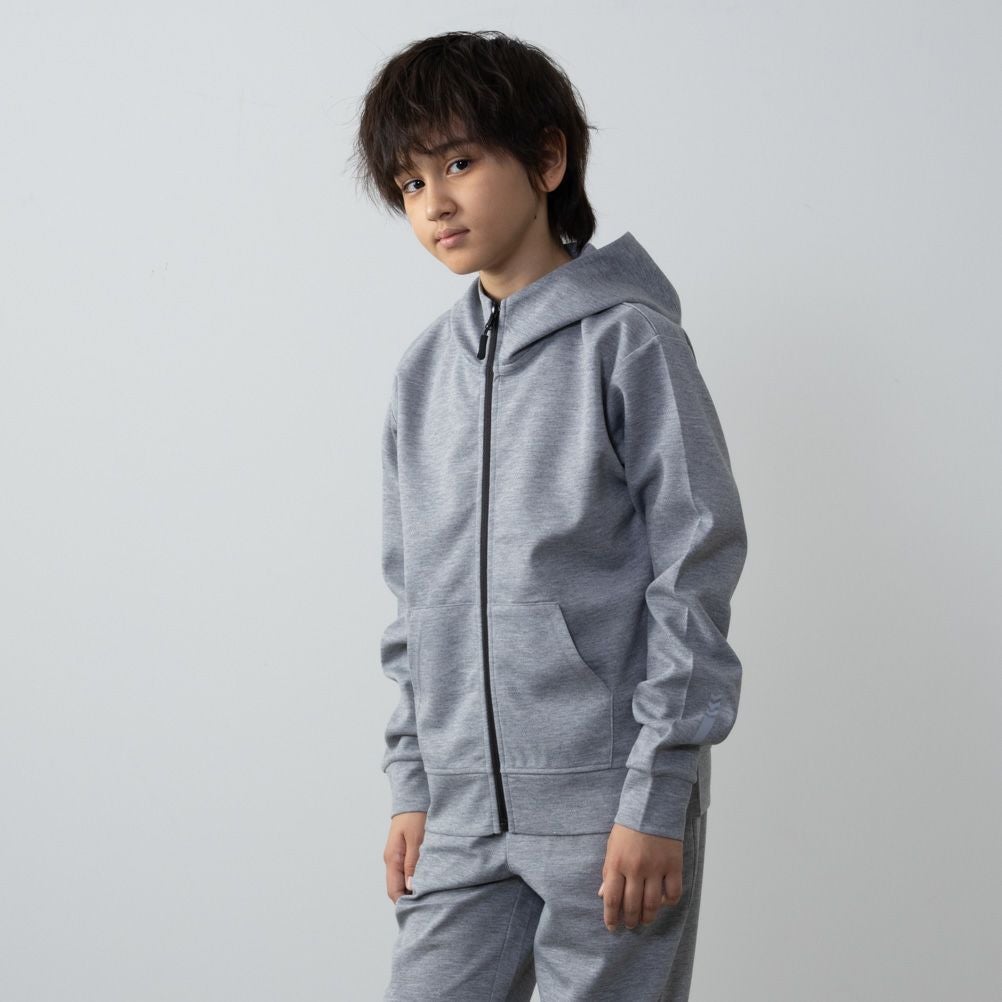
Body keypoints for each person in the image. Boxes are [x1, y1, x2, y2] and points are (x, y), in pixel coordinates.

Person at [349, 29, 748, 1002]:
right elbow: (415, 602)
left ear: (547, 158)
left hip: (608, 802)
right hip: (459, 811)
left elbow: (695, 566)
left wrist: (656, 794)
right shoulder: (422, 376)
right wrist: (414, 786)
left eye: (458, 163)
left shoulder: (632, 345)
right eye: (409, 183)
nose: (434, 203)